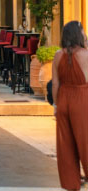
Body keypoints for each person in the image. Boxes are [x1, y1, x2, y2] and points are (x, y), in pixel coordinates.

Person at [53, 21, 88, 191]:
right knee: (85, 141)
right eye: (83, 31)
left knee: (65, 144)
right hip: (81, 98)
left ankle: (71, 184)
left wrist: (56, 105)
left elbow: (55, 84)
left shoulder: (58, 54)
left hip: (63, 99)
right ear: (78, 34)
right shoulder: (85, 54)